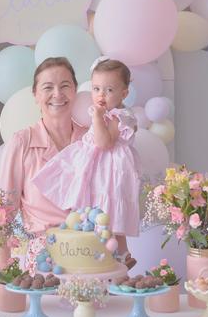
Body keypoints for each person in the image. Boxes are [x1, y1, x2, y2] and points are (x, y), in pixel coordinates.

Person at [32, 57, 140, 269]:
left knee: (111, 218)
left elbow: (104, 142)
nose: (101, 95)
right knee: (93, 216)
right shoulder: (102, 112)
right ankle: (107, 256)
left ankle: (122, 257)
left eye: (109, 90)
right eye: (96, 88)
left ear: (124, 94)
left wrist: (98, 117)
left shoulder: (119, 116)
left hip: (111, 172)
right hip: (96, 168)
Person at [0, 57, 88, 273]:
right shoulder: (21, 143)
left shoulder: (91, 141)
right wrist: (2, 271)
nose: (58, 94)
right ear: (35, 95)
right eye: (48, 87)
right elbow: (2, 213)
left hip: (90, 257)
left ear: (75, 90)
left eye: (65, 85)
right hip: (43, 264)